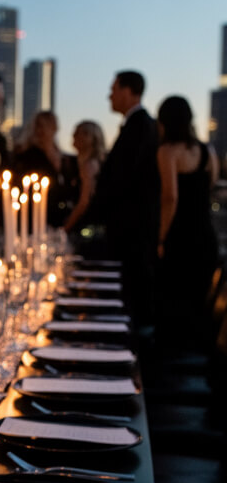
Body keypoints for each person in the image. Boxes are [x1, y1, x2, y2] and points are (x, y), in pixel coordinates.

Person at [93, 70, 160, 332]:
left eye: (113, 90)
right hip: (130, 229)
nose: (109, 96)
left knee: (133, 297)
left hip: (132, 230)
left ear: (129, 91)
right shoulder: (138, 125)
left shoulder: (140, 126)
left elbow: (123, 179)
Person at [156, 95, 219, 346]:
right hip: (205, 235)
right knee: (198, 303)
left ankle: (173, 357)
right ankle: (197, 356)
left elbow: (170, 197)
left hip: (179, 239)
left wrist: (161, 238)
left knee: (174, 303)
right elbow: (211, 185)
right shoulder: (207, 151)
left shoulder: (167, 151)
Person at [12, 111, 78, 227]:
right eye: (37, 126)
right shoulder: (29, 156)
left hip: (61, 215)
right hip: (37, 214)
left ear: (54, 128)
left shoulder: (64, 158)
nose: (40, 130)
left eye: (44, 126)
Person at [63, 120, 106, 237]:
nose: (73, 136)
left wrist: (66, 228)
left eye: (78, 133)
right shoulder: (84, 163)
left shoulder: (89, 165)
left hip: (86, 228)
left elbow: (84, 202)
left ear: (90, 138)